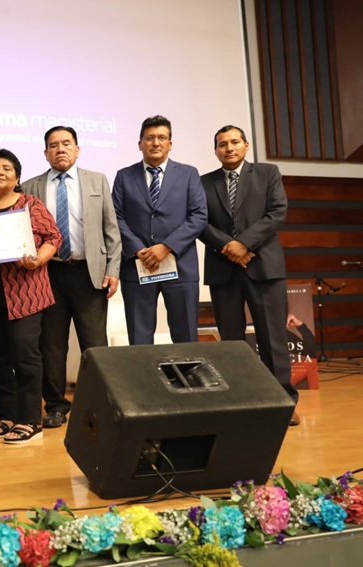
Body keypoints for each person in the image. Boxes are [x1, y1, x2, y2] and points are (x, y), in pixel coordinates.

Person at [21, 127, 122, 429]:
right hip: (47, 275)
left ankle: (101, 403)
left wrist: (113, 269)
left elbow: (111, 229)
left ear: (77, 149)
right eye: (53, 145)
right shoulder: (31, 186)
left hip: (89, 272)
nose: (60, 149)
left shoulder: (97, 180)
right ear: (45, 153)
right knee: (52, 345)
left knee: (95, 344)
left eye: (66, 144)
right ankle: (55, 406)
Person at [199, 125, 299, 424]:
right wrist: (228, 247)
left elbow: (277, 212)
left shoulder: (268, 173)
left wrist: (244, 243)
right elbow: (199, 222)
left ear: (246, 145)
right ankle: (240, 400)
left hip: (264, 267)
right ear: (215, 150)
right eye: (221, 144)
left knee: (273, 339)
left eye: (234, 142)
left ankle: (283, 401)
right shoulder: (203, 182)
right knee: (231, 342)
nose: (228, 148)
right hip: (223, 269)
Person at [0, 148, 62, 445]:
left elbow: (53, 237)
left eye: (7, 168)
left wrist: (38, 259)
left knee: (25, 355)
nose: (0, 173)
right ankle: (6, 415)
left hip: (24, 294)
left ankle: (30, 419)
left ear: (17, 176)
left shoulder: (30, 204)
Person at [112, 115, 207, 345]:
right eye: (150, 137)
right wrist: (139, 250)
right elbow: (116, 217)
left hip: (181, 266)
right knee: (140, 337)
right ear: (140, 144)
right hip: (138, 265)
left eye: (162, 137)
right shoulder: (124, 176)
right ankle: (144, 382)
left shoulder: (188, 174)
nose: (156, 142)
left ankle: (187, 381)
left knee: (185, 335)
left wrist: (166, 247)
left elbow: (199, 216)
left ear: (170, 144)